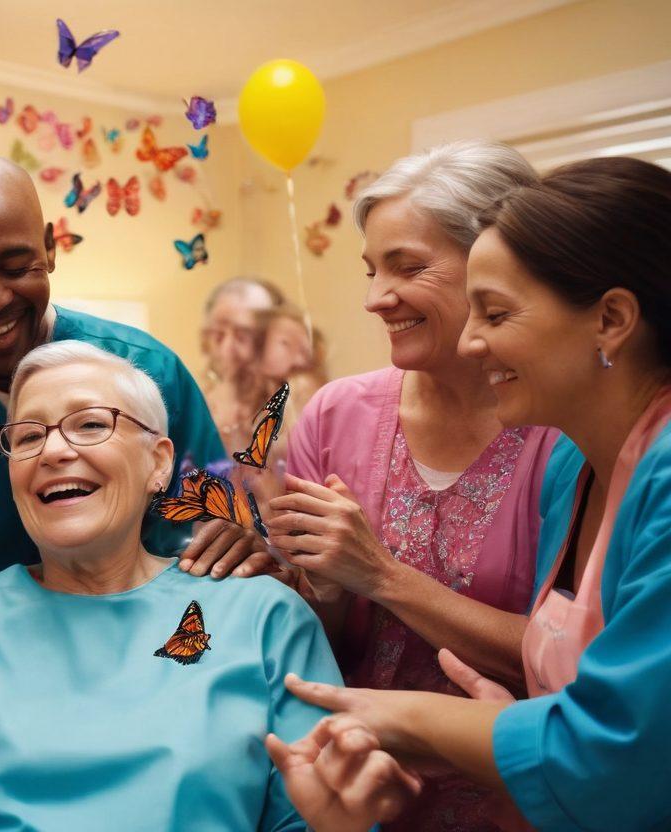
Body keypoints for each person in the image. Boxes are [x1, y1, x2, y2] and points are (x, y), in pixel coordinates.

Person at [0, 341, 417, 831]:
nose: (53, 451)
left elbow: (325, 813)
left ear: (159, 463)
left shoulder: (265, 619)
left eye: (90, 424)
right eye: (28, 436)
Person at [282, 156, 671, 832]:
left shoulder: (600, 455)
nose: (471, 341)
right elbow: (574, 680)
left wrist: (419, 719)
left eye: (494, 311)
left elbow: (620, 748)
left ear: (611, 319)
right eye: (372, 271)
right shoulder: (582, 467)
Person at [265, 141, 559, 831]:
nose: (375, 299)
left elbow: (576, 661)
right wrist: (326, 588)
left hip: (519, 804)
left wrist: (379, 574)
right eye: (372, 270)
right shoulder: (334, 415)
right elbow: (304, 646)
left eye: (409, 266)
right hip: (346, 800)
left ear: (497, 264)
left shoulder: (564, 430)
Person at [0, 153, 267, 586]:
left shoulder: (149, 372)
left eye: (15, 268)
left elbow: (220, 530)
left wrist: (237, 537)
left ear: (50, 247)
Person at [200, 277, 286, 454]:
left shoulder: (298, 410)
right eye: (218, 335)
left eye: (243, 336)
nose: (227, 350)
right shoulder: (198, 408)